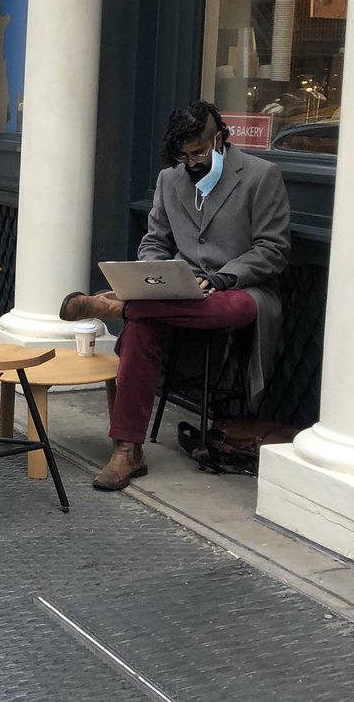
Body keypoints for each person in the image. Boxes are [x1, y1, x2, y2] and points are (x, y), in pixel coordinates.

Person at [60, 100, 291, 491]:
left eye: (199, 151)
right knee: (140, 329)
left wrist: (222, 278)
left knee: (154, 313)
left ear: (219, 137)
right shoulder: (171, 180)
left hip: (241, 291)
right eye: (183, 156)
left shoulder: (261, 175)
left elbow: (272, 249)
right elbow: (154, 242)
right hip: (176, 290)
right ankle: (127, 449)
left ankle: (119, 305)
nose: (192, 162)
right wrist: (155, 273)